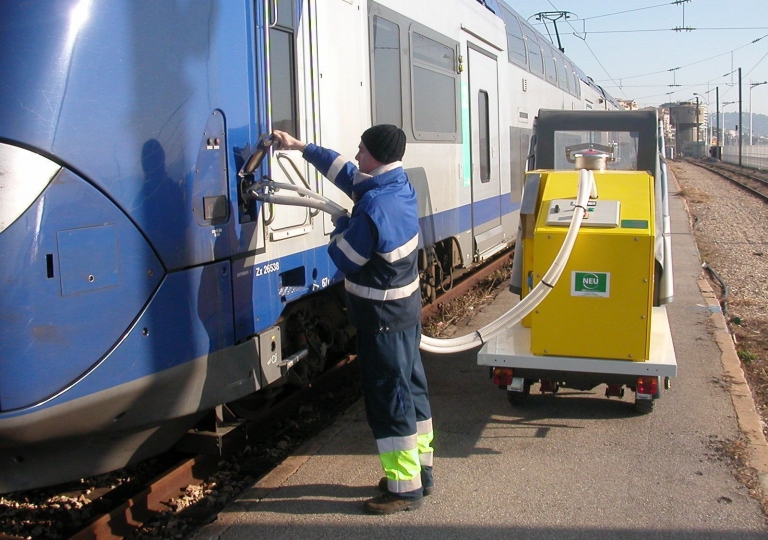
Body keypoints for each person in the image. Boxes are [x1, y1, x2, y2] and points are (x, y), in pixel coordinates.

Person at [272, 125, 434, 514]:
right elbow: (346, 172)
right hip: (403, 314)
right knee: (411, 389)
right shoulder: (397, 186)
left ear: (375, 155)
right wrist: (300, 147)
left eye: (361, 149)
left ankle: (403, 488)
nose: (356, 153)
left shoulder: (376, 208)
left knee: (388, 398)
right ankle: (421, 473)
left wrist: (343, 225)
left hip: (381, 321)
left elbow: (344, 258)